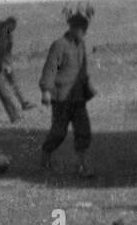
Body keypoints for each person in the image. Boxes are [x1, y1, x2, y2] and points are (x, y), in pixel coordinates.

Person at [39, 13, 96, 177]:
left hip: (78, 98)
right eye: (81, 29)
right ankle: (45, 157)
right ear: (72, 28)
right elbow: (50, 68)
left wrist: (87, 88)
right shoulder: (59, 45)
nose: (83, 32)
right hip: (61, 98)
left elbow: (83, 70)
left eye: (85, 30)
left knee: (84, 131)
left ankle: (82, 165)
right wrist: (45, 91)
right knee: (58, 132)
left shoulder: (81, 45)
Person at [0, 17, 36, 110]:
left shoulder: (6, 34)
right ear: (9, 24)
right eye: (13, 26)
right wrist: (6, 65)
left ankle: (23, 103)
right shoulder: (4, 35)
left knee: (9, 84)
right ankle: (22, 103)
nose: (14, 28)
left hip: (5, 63)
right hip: (3, 64)